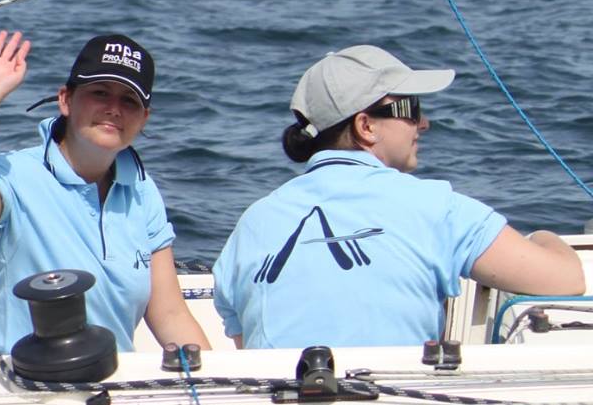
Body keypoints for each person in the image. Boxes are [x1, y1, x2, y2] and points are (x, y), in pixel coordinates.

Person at [213, 44, 584, 349]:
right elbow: (566, 280)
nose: (423, 123)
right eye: (410, 110)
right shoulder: (437, 208)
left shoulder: (252, 223)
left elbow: (250, 349)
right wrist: (544, 238)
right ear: (365, 125)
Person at [0, 31, 211, 357]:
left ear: (144, 118)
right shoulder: (15, 177)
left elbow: (170, 314)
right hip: (13, 380)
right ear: (65, 100)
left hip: (112, 381)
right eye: (100, 93)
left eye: (129, 100)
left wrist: (220, 378)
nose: (114, 108)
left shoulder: (143, 192)